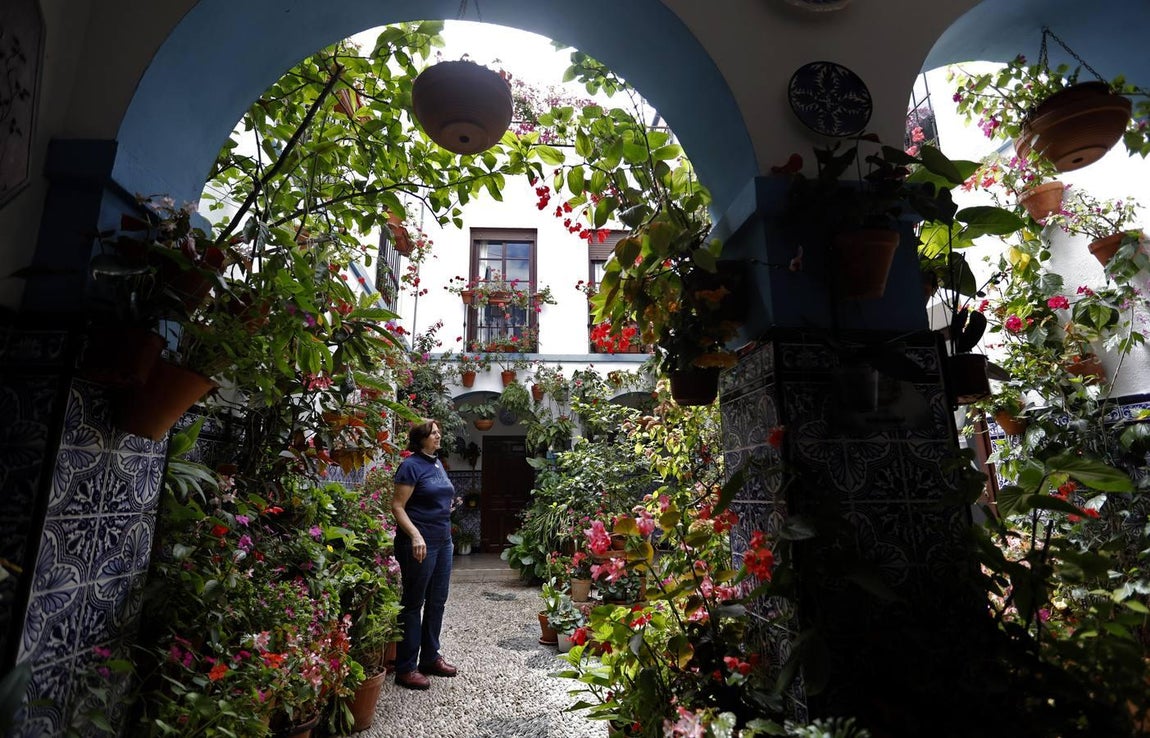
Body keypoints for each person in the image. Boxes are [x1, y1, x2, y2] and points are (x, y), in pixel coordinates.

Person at [390, 419, 460, 690]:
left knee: (437, 601)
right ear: (420, 439)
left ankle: (430, 657)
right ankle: (406, 668)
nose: (438, 435)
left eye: (438, 431)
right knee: (413, 603)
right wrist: (416, 535)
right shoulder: (410, 466)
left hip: (443, 542)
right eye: (433, 433)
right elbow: (397, 506)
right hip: (419, 544)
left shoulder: (436, 463)